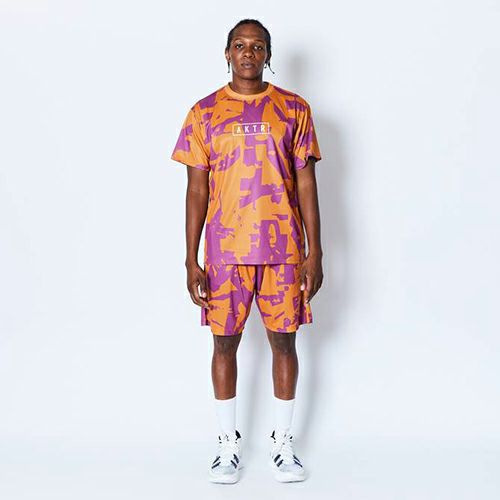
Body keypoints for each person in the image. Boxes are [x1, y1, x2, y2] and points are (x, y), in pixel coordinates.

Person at [170, 18, 323, 484]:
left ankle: (283, 443)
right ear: (227, 53)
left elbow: (306, 183)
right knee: (224, 344)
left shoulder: (293, 109)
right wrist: (191, 257)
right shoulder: (204, 113)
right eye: (240, 45)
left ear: (268, 55)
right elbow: (197, 190)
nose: (249, 53)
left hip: (283, 251)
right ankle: (227, 445)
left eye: (258, 46)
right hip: (225, 252)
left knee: (285, 342)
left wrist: (315, 252)